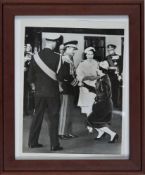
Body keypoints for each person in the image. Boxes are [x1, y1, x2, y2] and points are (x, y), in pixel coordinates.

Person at [28, 33, 63, 151]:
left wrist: (35, 88)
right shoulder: (58, 57)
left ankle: (32, 142)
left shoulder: (35, 56)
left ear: (46, 42)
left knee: (37, 116)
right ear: (54, 43)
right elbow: (61, 77)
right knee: (53, 117)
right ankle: (54, 145)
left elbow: (30, 77)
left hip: (39, 92)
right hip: (53, 92)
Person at [83, 61, 119, 143]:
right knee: (95, 121)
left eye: (97, 69)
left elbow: (103, 94)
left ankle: (113, 134)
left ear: (100, 70)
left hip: (103, 104)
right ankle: (101, 133)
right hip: (105, 103)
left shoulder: (103, 80)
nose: (96, 70)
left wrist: (97, 101)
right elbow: (98, 91)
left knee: (91, 120)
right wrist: (85, 85)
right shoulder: (104, 78)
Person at [57, 40, 79, 140]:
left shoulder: (70, 58)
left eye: (75, 49)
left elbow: (71, 74)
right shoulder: (64, 59)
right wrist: (76, 82)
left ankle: (68, 132)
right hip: (65, 89)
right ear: (67, 48)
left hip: (70, 88)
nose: (74, 51)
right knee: (64, 111)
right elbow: (63, 75)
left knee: (69, 111)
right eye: (73, 49)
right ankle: (61, 132)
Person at [76, 47, 99, 117]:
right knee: (86, 104)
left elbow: (98, 73)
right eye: (88, 54)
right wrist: (86, 78)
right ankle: (89, 120)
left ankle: (92, 120)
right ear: (86, 55)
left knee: (93, 103)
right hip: (85, 85)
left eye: (91, 54)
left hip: (94, 85)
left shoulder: (96, 63)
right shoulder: (82, 64)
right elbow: (78, 75)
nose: (90, 56)